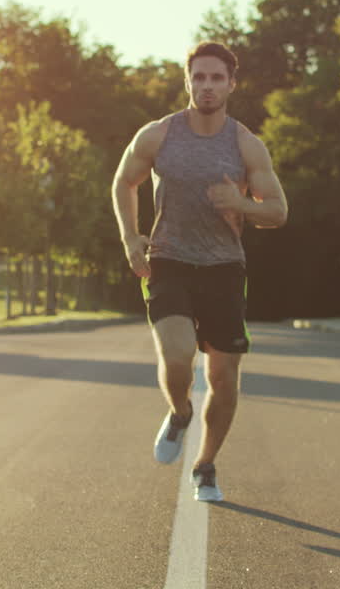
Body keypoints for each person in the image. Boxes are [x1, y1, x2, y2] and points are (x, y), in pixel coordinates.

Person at [111, 41, 288, 502]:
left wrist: (241, 205)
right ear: (187, 81)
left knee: (225, 377)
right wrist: (131, 238)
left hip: (224, 268)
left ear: (231, 83)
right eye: (199, 77)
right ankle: (180, 411)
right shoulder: (158, 135)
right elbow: (123, 182)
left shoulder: (245, 144)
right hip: (168, 259)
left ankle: (205, 465)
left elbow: (278, 212)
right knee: (176, 354)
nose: (207, 86)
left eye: (216, 78)